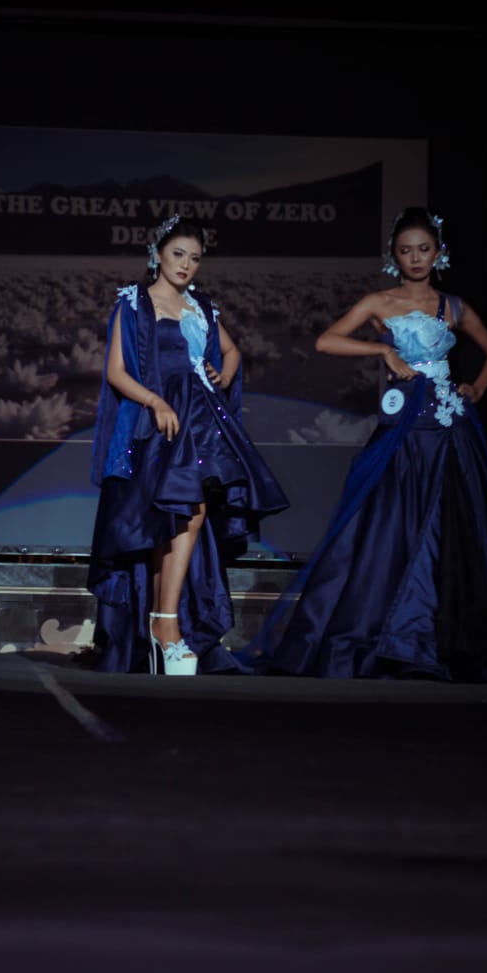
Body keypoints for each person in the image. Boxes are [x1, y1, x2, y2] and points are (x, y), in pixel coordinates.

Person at [249, 206, 487, 683]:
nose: (415, 258)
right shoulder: (380, 302)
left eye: (424, 249)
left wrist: (475, 387)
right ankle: (388, 636)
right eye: (406, 250)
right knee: (386, 526)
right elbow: (327, 341)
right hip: (402, 425)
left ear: (439, 253)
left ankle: (436, 639)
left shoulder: (453, 307)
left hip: (449, 428)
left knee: (454, 529)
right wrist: (382, 350)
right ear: (394, 256)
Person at [88, 215, 289, 674]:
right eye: (178, 254)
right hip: (160, 422)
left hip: (202, 419)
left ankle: (166, 625)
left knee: (191, 514)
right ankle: (164, 628)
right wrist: (155, 401)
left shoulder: (201, 306)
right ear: (157, 254)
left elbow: (231, 351)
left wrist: (224, 375)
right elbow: (116, 372)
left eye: (194, 258)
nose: (186, 265)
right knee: (176, 514)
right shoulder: (135, 302)